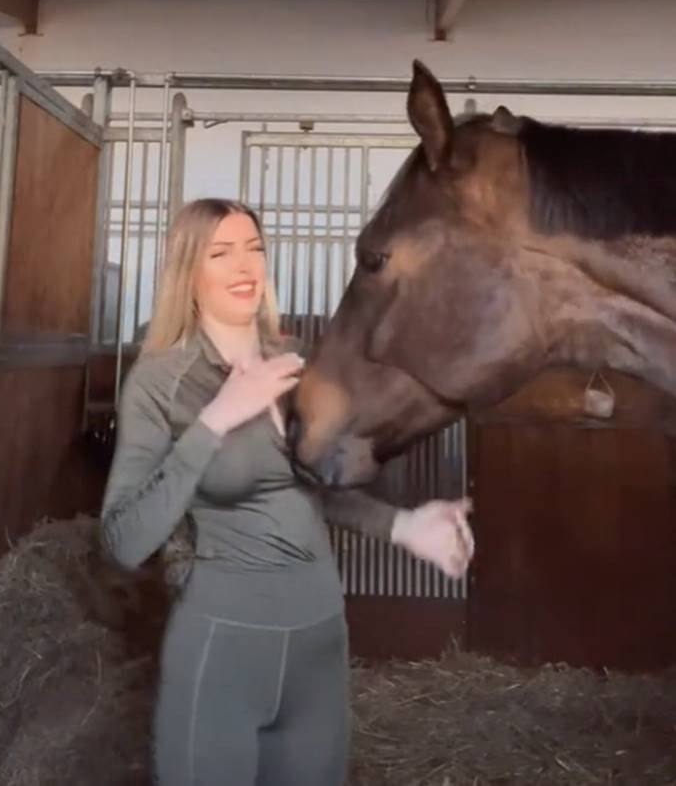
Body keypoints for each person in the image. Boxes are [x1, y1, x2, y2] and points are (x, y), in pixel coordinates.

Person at [99, 198, 474, 786]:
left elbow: (312, 489)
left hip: (319, 642)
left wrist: (406, 528)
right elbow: (124, 540)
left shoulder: (297, 365)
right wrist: (216, 419)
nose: (245, 265)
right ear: (188, 272)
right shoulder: (160, 382)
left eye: (254, 248)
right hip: (224, 647)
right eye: (221, 253)